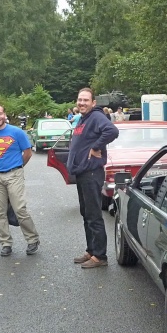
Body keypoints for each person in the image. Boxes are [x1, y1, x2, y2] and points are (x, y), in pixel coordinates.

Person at [67, 88, 119, 268]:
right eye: (79, 100)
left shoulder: (96, 116)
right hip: (82, 173)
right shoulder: (84, 119)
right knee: (86, 214)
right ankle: (91, 250)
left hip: (91, 173)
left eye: (86, 100)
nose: (82, 103)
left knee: (94, 215)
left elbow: (112, 131)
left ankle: (100, 256)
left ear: (93, 102)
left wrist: (96, 147)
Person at [0, 105, 41, 257]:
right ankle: (6, 243)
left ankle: (32, 239)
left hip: (14, 174)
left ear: (4, 115)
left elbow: (27, 153)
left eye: (0, 113)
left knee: (20, 209)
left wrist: (18, 167)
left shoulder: (16, 132)